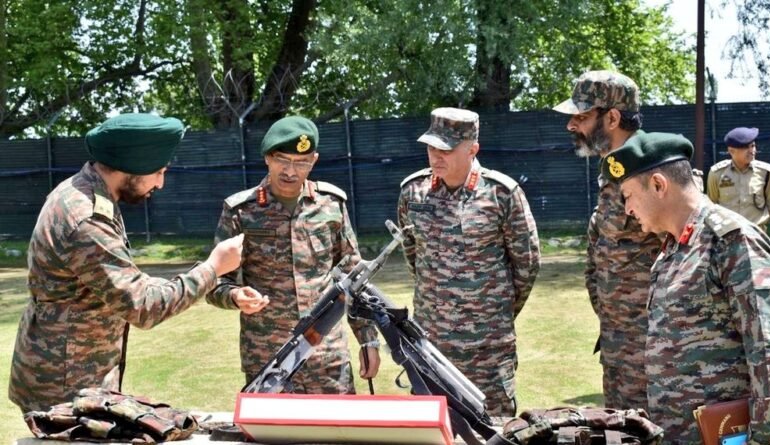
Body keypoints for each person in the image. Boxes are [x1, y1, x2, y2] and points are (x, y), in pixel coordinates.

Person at [8, 113, 245, 413]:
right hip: (65, 387)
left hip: (66, 372)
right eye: (158, 172)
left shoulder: (82, 192)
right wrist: (214, 268)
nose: (161, 183)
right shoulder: (87, 218)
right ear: (134, 165)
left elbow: (126, 282)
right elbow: (143, 307)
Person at [601, 131, 770, 444]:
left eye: (628, 195)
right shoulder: (674, 248)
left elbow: (769, 350)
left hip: (730, 435)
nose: (627, 209)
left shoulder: (732, 240)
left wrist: (764, 439)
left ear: (658, 185)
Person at [208, 115, 380, 393]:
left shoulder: (331, 205)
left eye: (301, 162)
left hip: (326, 356)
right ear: (267, 158)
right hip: (268, 357)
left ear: (314, 160)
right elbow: (215, 281)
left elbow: (353, 277)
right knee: (273, 423)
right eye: (282, 160)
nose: (290, 171)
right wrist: (235, 296)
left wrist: (368, 338)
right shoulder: (241, 211)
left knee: (338, 423)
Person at [397, 107, 540, 416]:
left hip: (487, 348)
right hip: (431, 344)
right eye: (431, 147)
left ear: (473, 149)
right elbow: (414, 257)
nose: (436, 156)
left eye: (446, 149)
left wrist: (493, 312)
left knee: (493, 426)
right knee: (433, 427)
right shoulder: (413, 192)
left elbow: (526, 265)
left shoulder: (502, 194)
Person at [552, 70, 658, 410]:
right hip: (619, 346)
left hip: (655, 353)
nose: (571, 125)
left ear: (612, 118)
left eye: (581, 116)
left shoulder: (656, 173)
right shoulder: (613, 172)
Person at [707, 127, 770, 230]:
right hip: (727, 233)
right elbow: (712, 205)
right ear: (731, 151)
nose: (752, 151)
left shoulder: (766, 172)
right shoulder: (717, 173)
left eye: (753, 146)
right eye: (746, 148)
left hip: (756, 232)